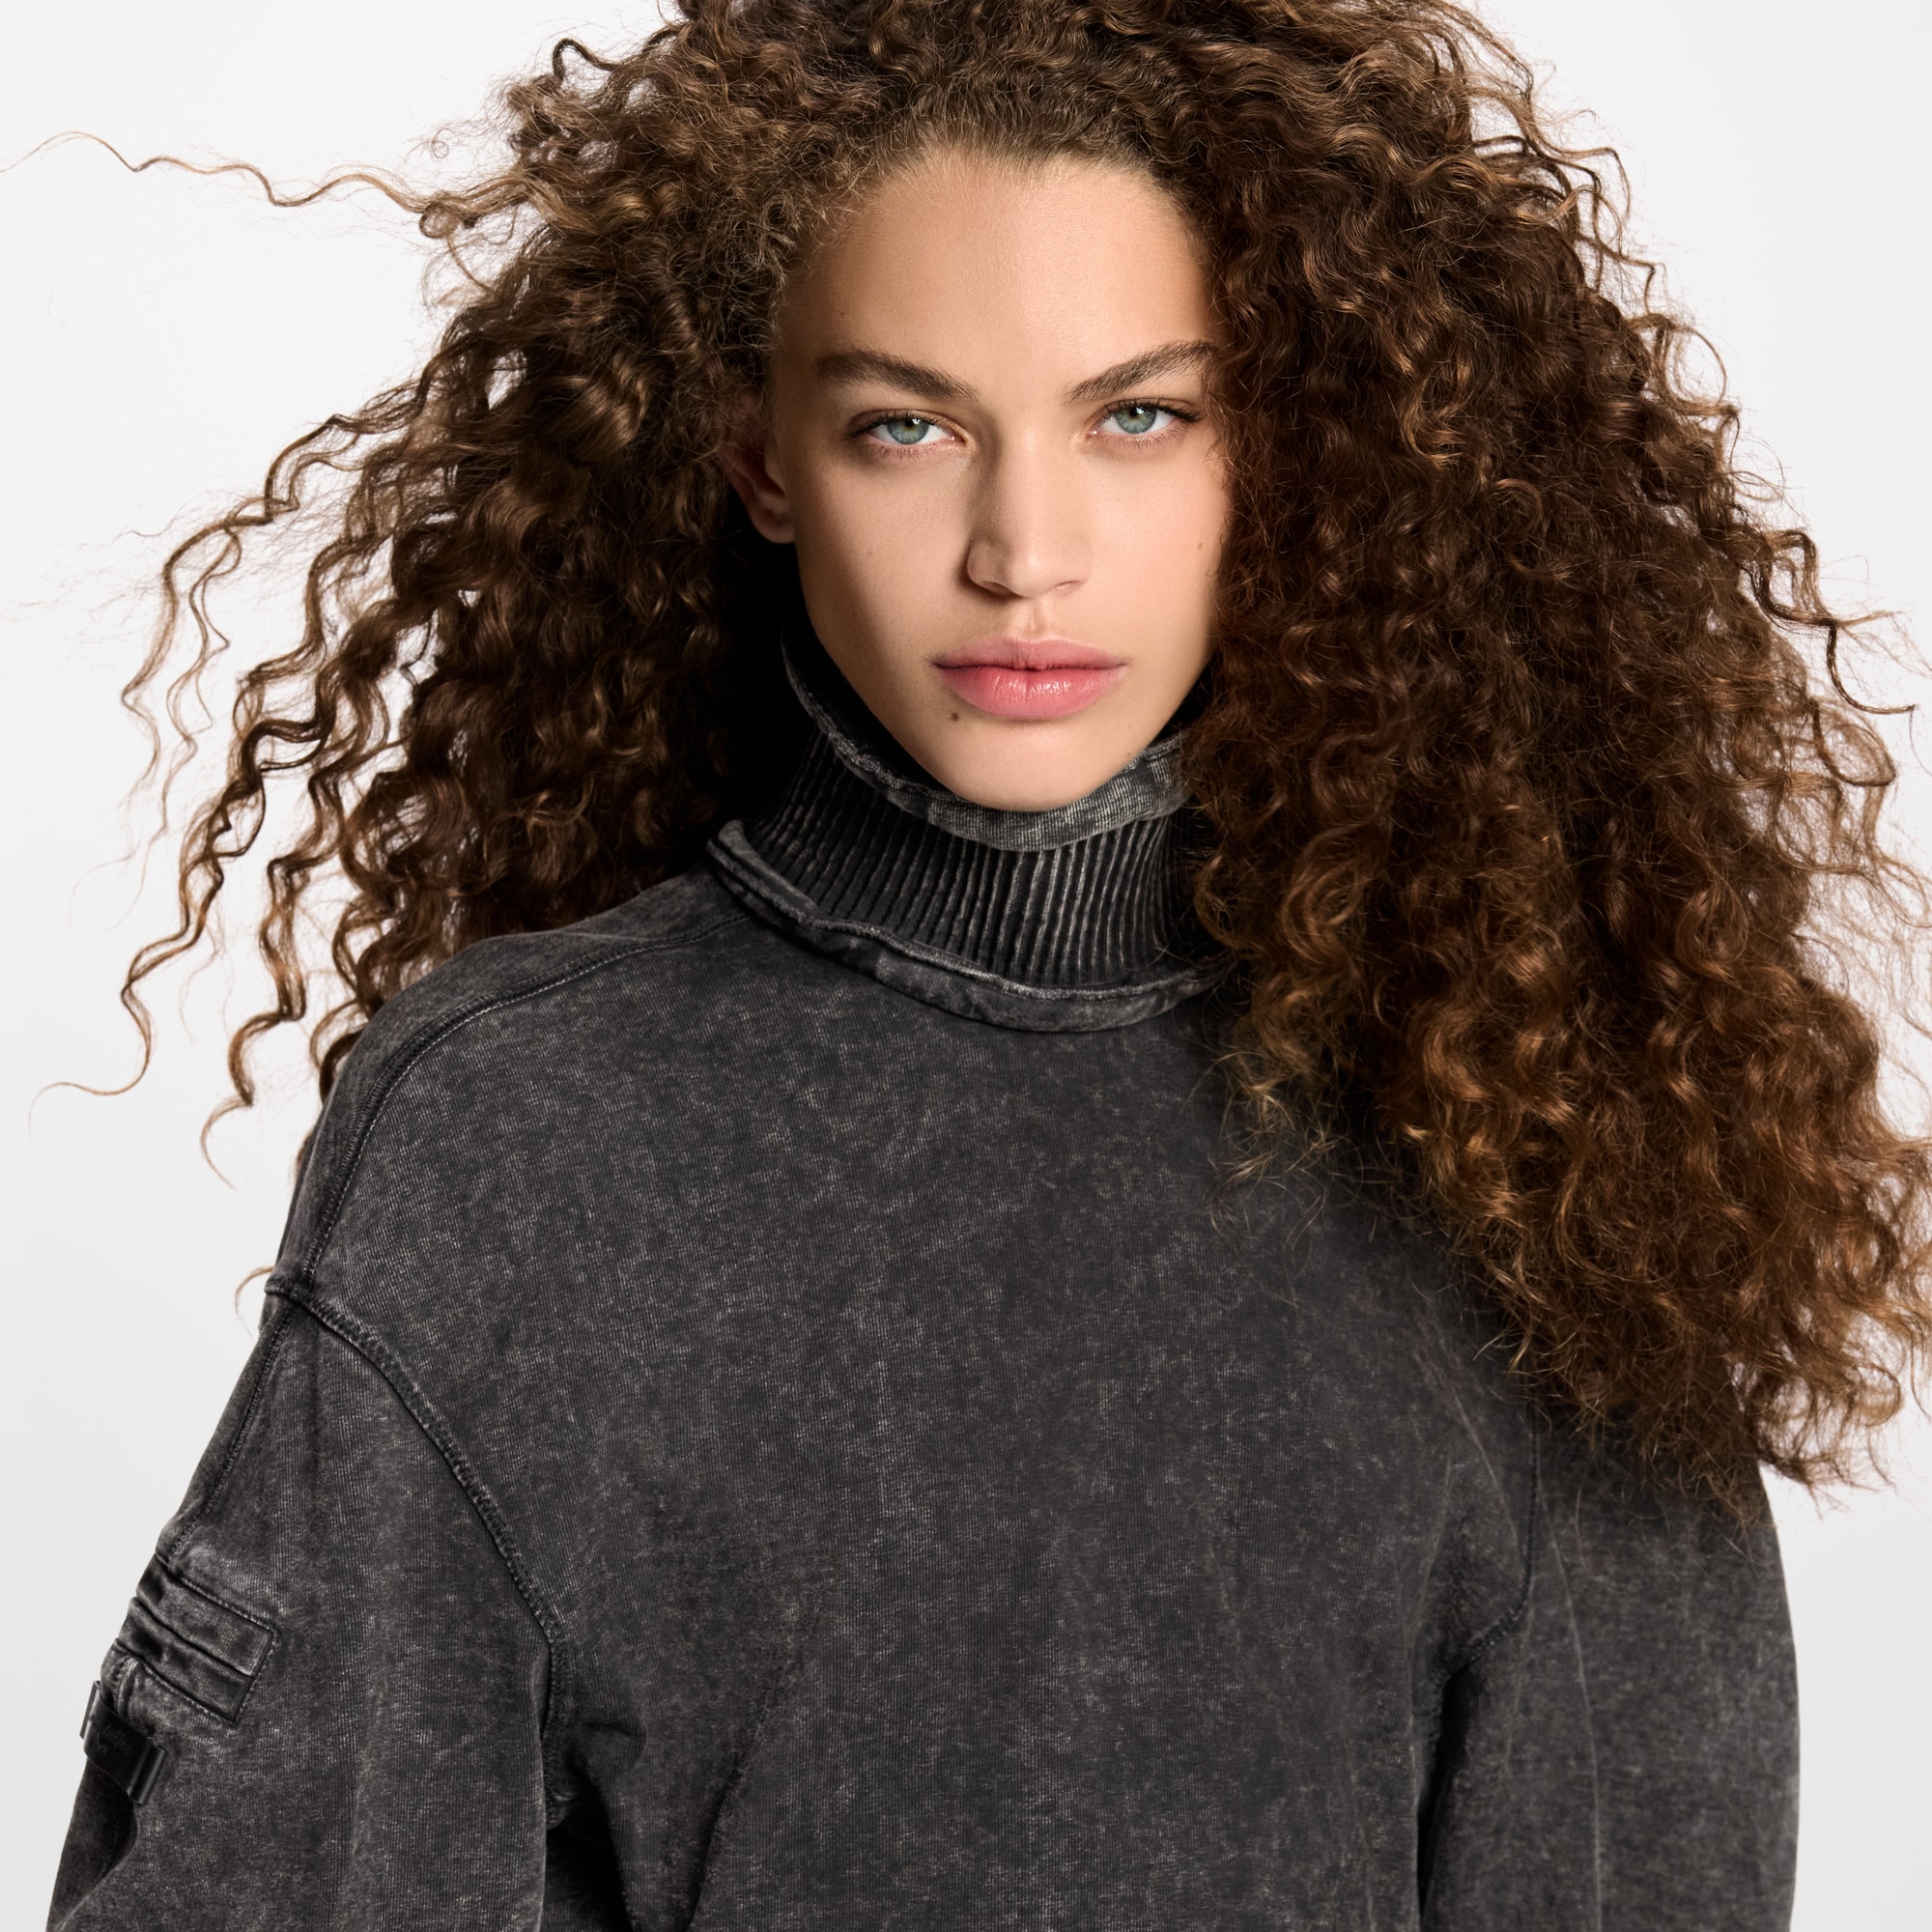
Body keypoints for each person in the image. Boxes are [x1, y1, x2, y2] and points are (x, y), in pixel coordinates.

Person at [44, 1, 1932, 1925]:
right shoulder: (516, 1140)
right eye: (908, 425)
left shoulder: (1528, 1135)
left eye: (1139, 416)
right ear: (761, 454)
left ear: (1289, 448)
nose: (1024, 552)